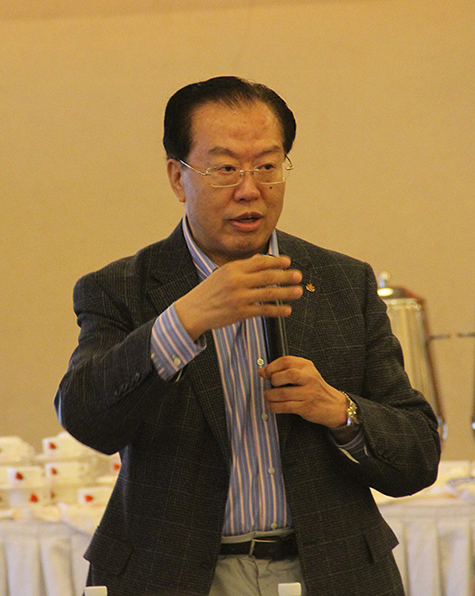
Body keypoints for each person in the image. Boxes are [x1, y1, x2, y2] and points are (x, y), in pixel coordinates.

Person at [55, 76, 440, 596]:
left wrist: (338, 410)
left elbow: (418, 455)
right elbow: (85, 417)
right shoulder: (121, 288)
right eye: (225, 168)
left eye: (267, 166)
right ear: (177, 177)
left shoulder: (342, 283)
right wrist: (183, 321)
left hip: (330, 573)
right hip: (173, 577)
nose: (249, 189)